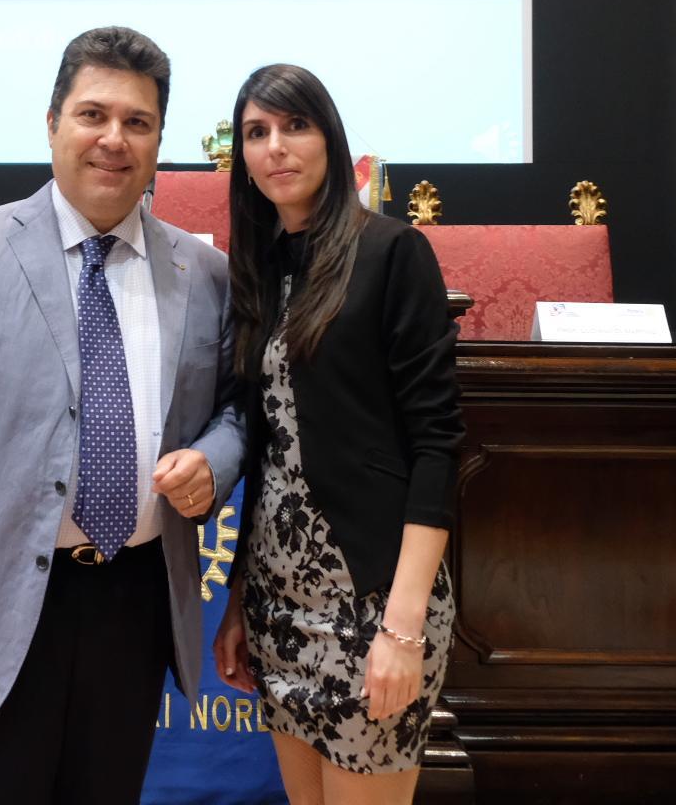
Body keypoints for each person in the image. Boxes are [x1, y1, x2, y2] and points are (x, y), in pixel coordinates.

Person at [0, 26, 244, 805]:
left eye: (137, 123)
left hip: (134, 605)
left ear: (159, 141)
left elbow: (239, 409)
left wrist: (217, 460)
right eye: (92, 115)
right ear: (51, 123)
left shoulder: (204, 273)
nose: (114, 139)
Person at [212, 63, 464, 805]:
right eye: (256, 133)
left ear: (331, 139)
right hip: (277, 601)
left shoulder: (392, 252)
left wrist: (404, 629)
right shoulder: (262, 271)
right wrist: (234, 601)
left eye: (295, 126)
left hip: (372, 603)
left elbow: (437, 443)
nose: (275, 147)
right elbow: (271, 452)